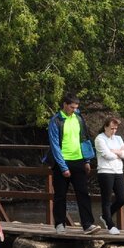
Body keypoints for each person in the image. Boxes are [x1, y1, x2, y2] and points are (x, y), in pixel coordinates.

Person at [45, 93, 99, 234]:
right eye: (72, 107)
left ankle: (87, 225)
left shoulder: (78, 118)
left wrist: (86, 160)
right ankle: (60, 224)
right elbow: (55, 145)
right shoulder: (56, 121)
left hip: (78, 160)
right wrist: (63, 167)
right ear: (64, 104)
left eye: (76, 107)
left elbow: (84, 139)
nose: (74, 110)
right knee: (60, 195)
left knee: (83, 193)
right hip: (61, 161)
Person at [93, 115, 124, 235]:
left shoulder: (118, 138)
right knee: (106, 199)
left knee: (121, 198)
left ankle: (105, 216)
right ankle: (109, 224)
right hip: (105, 171)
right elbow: (107, 155)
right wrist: (119, 153)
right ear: (105, 127)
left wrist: (116, 152)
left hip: (118, 171)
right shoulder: (100, 139)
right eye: (111, 128)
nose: (113, 131)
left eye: (115, 129)